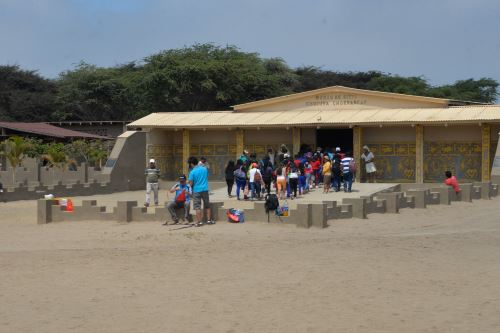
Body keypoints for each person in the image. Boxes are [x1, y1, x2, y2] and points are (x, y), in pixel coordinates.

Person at [187, 156, 214, 227]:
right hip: (205, 189)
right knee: (207, 205)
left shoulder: (192, 172)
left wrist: (188, 183)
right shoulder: (204, 169)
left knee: (197, 207)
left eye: (189, 164)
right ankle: (208, 220)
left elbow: (191, 183)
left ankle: (199, 222)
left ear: (192, 164)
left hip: (196, 190)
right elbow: (206, 177)